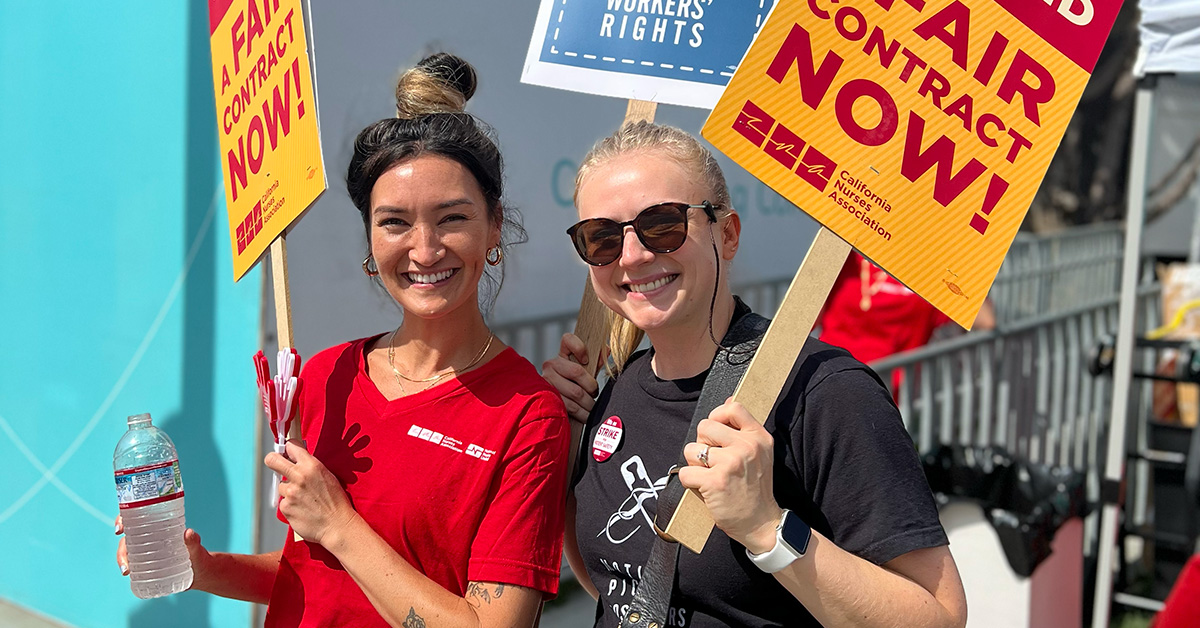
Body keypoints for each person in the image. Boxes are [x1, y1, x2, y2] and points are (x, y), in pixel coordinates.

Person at [116, 53, 570, 628]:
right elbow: (314, 572)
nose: (424, 250)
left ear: (495, 225)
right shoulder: (326, 375)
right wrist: (205, 568)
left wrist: (338, 522)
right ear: (369, 239)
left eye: (452, 218)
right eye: (395, 222)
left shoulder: (528, 416)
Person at [542, 122, 968, 627]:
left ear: (726, 234)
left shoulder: (826, 391)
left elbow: (939, 616)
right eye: (602, 237)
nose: (632, 255)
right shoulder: (613, 389)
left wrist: (767, 527)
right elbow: (618, 585)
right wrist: (561, 443)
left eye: (662, 225)